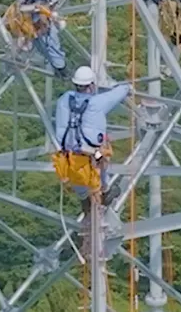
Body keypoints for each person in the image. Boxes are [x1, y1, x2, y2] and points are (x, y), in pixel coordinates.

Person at [55, 66, 131, 215]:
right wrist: (127, 86)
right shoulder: (95, 103)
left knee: (76, 172)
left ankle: (85, 200)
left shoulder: (64, 99)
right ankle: (105, 191)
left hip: (68, 151)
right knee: (102, 161)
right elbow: (115, 95)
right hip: (89, 151)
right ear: (91, 85)